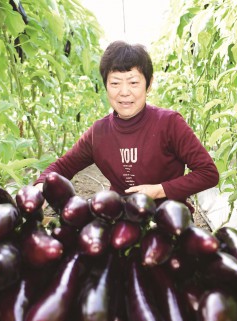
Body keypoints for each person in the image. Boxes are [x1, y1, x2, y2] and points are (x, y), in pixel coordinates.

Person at [34, 41, 219, 213]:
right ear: (105, 85)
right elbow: (63, 166)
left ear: (149, 84)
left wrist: (158, 191)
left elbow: (208, 173)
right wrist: (40, 186)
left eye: (133, 83)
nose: (124, 92)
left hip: (170, 217)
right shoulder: (99, 132)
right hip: (123, 218)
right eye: (115, 83)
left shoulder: (169, 123)